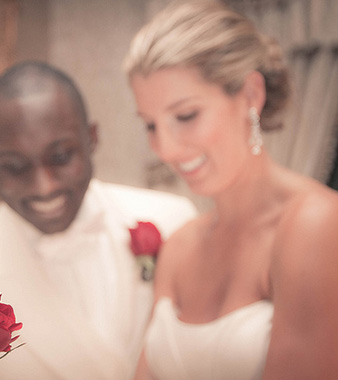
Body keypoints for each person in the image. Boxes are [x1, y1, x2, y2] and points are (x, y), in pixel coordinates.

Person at [124, 1, 338, 379]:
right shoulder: (179, 245)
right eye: (150, 125)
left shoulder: (315, 223)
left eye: (186, 115)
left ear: (251, 95)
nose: (166, 149)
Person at [0, 61, 197, 380]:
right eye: (16, 167)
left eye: (61, 157)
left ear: (91, 138)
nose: (44, 186)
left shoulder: (174, 223)